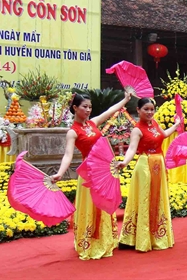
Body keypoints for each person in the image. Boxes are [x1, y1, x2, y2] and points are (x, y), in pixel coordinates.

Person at [52, 92, 131, 260]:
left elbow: (110, 111)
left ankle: (104, 239)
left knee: (103, 204)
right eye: (84, 107)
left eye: (90, 107)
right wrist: (60, 173)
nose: (88, 110)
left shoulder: (93, 123)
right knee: (91, 205)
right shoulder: (72, 132)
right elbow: (68, 155)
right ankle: (89, 241)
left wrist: (125, 99)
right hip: (88, 172)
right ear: (75, 108)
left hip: (104, 171)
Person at [116, 98, 181, 252]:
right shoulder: (137, 130)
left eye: (152, 109)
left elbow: (164, 135)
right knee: (145, 199)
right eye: (146, 109)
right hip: (145, 166)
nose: (150, 112)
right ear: (138, 110)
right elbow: (132, 149)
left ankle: (157, 235)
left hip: (159, 163)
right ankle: (141, 238)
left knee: (158, 198)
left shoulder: (155, 124)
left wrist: (177, 125)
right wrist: (124, 162)